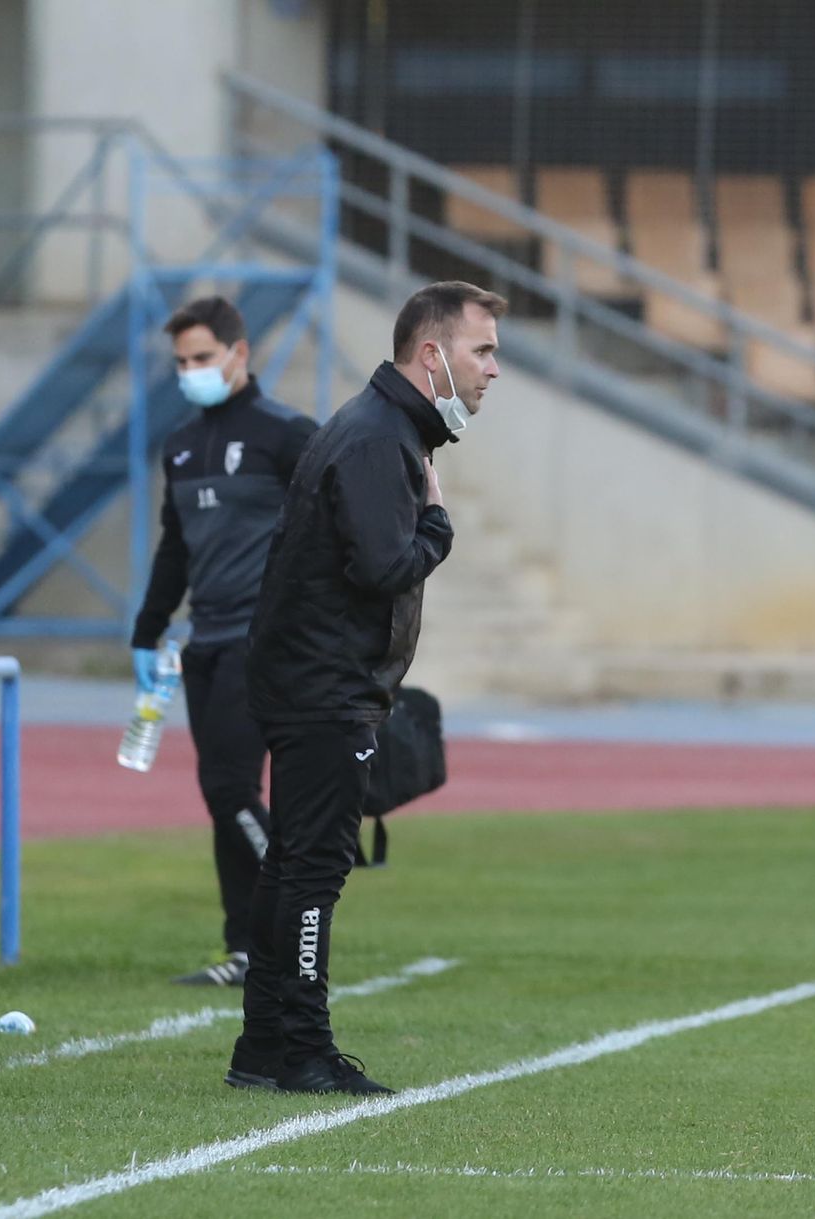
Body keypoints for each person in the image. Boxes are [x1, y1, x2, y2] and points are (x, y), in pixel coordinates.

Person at [227, 280, 505, 1095]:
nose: (494, 369)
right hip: (323, 688)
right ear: (432, 355)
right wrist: (438, 527)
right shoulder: (379, 438)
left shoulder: (379, 427)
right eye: (481, 350)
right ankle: (304, 1050)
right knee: (314, 869)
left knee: (291, 864)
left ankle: (263, 1047)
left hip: (308, 680)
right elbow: (382, 567)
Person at [131, 296, 318, 986]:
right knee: (222, 797)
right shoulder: (180, 445)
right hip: (202, 643)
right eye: (181, 362)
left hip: (263, 642)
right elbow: (175, 546)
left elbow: (335, 525)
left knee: (229, 785)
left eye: (202, 358)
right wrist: (147, 630)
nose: (191, 371)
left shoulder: (289, 434)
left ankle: (304, 905)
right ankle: (247, 949)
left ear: (240, 354)